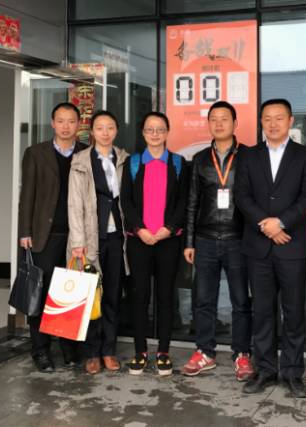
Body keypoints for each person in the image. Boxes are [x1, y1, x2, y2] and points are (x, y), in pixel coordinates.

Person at [234, 99, 306, 398]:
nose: (273, 124)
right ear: (261, 122)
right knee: (262, 312)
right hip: (258, 248)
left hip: (292, 246)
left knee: (294, 312)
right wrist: (266, 225)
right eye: (267, 118)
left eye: (279, 118)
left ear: (290, 121)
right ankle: (265, 370)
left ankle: (293, 373)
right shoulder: (249, 156)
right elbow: (242, 196)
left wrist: (281, 223)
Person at [182, 101, 254, 381]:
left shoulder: (249, 156)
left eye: (225, 118)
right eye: (214, 119)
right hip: (206, 239)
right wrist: (189, 241)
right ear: (208, 123)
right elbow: (192, 202)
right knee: (203, 300)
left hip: (238, 239)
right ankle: (205, 351)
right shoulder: (200, 159)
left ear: (235, 123)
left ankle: (242, 354)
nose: (219, 123)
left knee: (241, 300)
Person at [18, 102, 86, 373]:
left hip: (75, 236)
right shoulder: (36, 153)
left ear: (78, 124)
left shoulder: (85, 152)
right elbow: (27, 195)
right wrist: (25, 231)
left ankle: (68, 349)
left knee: (70, 293)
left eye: (71, 121)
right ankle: (41, 350)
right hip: (44, 235)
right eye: (61, 121)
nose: (66, 126)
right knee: (41, 293)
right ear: (52, 123)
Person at [121, 111, 189, 376]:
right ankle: (140, 352)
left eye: (160, 129)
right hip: (139, 240)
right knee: (139, 296)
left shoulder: (178, 163)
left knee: (165, 296)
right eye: (150, 129)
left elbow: (183, 201)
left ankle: (163, 352)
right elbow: (126, 201)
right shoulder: (133, 163)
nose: (155, 134)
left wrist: (167, 229)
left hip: (168, 240)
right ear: (143, 133)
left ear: (167, 132)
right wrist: (139, 229)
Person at [67, 110, 129, 375]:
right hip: (89, 238)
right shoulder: (81, 160)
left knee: (112, 295)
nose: (105, 132)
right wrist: (77, 241)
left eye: (110, 127)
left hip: (117, 237)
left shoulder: (124, 159)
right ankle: (92, 353)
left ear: (116, 130)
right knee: (90, 296)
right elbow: (74, 203)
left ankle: (108, 351)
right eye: (100, 128)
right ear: (92, 131)